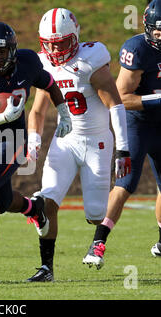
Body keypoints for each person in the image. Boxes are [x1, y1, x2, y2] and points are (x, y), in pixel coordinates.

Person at [0, 21, 72, 279]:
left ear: (13, 51)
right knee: (2, 201)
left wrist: (63, 111)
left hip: (15, 138)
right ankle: (34, 208)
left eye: (2, 51)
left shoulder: (26, 63)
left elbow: (48, 81)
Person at [26, 8, 131, 282]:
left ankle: (99, 240)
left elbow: (115, 105)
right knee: (47, 201)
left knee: (96, 213)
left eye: (60, 43)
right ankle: (46, 268)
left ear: (74, 37)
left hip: (96, 141)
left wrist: (123, 148)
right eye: (48, 44)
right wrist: (34, 141)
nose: (54, 50)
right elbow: (37, 110)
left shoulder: (90, 59)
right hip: (65, 141)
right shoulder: (43, 64)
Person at [86, 0, 161, 266]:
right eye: (158, 31)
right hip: (138, 122)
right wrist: (156, 99)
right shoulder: (137, 49)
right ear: (148, 28)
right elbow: (121, 97)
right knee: (126, 183)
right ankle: (97, 243)